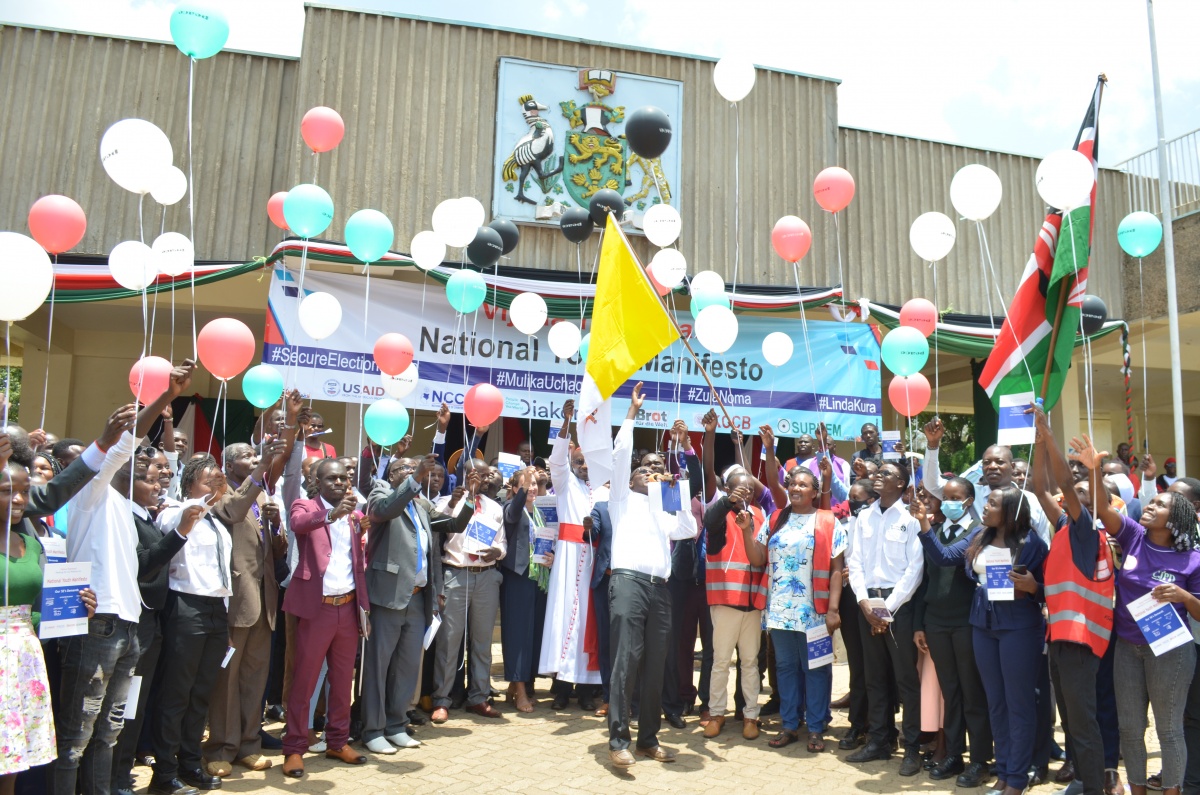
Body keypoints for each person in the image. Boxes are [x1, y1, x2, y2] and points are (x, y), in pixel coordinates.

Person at [57, 360, 193, 795]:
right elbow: (122, 445)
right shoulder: (90, 493)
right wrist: (166, 397)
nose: (143, 467)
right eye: (135, 462)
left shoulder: (130, 510)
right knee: (76, 737)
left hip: (130, 625)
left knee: (108, 733)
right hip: (98, 626)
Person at [1077, 434, 1200, 795]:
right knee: (1130, 728)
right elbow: (1102, 507)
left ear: (1175, 519)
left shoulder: (1192, 559)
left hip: (1170, 650)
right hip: (1128, 648)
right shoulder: (1133, 536)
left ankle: (1173, 790)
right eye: (1151, 501)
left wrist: (1182, 596)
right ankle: (1138, 790)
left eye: (1159, 505)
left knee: (1168, 729)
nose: (1149, 506)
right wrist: (1094, 469)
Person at [914, 486, 1049, 795]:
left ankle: (1017, 778)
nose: (985, 507)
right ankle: (1003, 771)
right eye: (987, 502)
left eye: (993, 503)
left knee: (1018, 704)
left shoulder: (1031, 543)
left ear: (1011, 511)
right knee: (996, 702)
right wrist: (923, 522)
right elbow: (945, 557)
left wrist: (1033, 588)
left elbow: (1048, 589)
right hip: (982, 625)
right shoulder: (979, 536)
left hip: (1018, 628)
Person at [602, 383, 698, 769]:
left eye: (653, 470)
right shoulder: (621, 499)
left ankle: (647, 739)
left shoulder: (662, 507)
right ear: (630, 480)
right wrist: (631, 415)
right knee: (626, 660)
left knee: (656, 665)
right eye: (643, 470)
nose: (649, 473)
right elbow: (621, 454)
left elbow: (688, 529)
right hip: (628, 583)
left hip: (660, 590)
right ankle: (618, 740)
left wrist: (678, 492)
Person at [1023, 408, 1116, 795]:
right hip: (1061, 636)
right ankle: (1081, 780)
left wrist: (1049, 434)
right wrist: (1040, 445)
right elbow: (1039, 487)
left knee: (1082, 723)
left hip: (1081, 640)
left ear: (1091, 506)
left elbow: (1061, 481)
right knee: (1072, 719)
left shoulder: (1086, 531)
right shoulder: (1063, 525)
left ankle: (1094, 787)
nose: (1069, 497)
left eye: (1080, 495)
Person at [361, 454, 473, 753]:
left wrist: (471, 499)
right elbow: (385, 509)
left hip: (417, 597)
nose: (413, 471)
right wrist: (415, 478)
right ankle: (372, 730)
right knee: (379, 667)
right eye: (406, 468)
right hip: (388, 596)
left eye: (415, 467)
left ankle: (396, 725)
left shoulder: (420, 504)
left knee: (407, 666)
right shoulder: (381, 493)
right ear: (392, 474)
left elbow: (451, 524)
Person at [0, 457, 97, 795]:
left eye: (24, 492)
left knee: (12, 757)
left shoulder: (29, 545)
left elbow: (31, 615)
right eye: (7, 491)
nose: (18, 499)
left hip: (23, 658)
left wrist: (76, 611)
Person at [200, 430, 290, 777]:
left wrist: (276, 524)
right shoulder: (218, 492)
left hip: (264, 600)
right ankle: (221, 748)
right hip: (236, 600)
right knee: (227, 678)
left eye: (256, 456)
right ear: (228, 464)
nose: (254, 460)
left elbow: (277, 551)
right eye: (247, 456)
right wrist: (265, 465)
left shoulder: (262, 495)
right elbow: (234, 513)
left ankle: (249, 745)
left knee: (254, 677)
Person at [150, 453, 240, 794]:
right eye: (208, 481)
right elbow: (178, 525)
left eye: (219, 480)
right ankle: (165, 771)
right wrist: (202, 502)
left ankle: (190, 763)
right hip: (186, 606)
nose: (216, 486)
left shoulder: (216, 522)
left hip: (215, 609)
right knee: (177, 693)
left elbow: (220, 574)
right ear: (189, 485)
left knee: (201, 692)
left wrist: (225, 620)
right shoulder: (176, 511)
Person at [281, 459, 370, 778]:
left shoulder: (355, 515)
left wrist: (363, 608)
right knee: (304, 680)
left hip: (347, 606)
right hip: (316, 609)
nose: (339, 483)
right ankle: (294, 748)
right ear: (317, 482)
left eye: (343, 478)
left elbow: (357, 564)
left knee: (343, 680)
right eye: (331, 478)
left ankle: (337, 741)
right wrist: (331, 515)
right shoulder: (305, 506)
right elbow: (299, 524)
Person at [109, 447, 189, 795]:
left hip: (152, 620)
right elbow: (144, 564)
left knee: (137, 705)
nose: (158, 486)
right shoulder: (126, 517)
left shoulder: (146, 516)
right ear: (129, 483)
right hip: (135, 621)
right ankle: (115, 778)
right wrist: (180, 533)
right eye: (149, 480)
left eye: (159, 481)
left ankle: (123, 771)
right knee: (125, 705)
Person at [747, 457, 842, 751]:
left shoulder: (828, 521)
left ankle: (816, 727)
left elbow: (836, 568)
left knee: (817, 668)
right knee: (786, 667)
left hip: (816, 611)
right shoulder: (775, 519)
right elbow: (758, 559)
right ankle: (789, 724)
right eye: (793, 484)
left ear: (815, 491)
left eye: (803, 484)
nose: (796, 488)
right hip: (779, 610)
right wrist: (745, 531)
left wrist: (833, 610)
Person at [910, 472, 993, 788]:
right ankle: (954, 755)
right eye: (945, 498)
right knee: (950, 692)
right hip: (936, 623)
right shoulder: (936, 531)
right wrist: (919, 624)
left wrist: (923, 523)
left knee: (972, 692)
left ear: (969, 501)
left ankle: (980, 760)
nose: (948, 503)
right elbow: (925, 581)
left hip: (966, 623)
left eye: (955, 499)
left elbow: (945, 558)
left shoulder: (978, 532)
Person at [844, 460, 925, 775]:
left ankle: (912, 748)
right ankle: (879, 740)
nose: (878, 476)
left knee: (906, 679)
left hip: (898, 606)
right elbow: (855, 562)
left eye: (886, 473)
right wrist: (864, 603)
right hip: (868, 603)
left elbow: (914, 570)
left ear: (902, 483)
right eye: (877, 473)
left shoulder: (910, 519)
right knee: (874, 676)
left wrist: (886, 610)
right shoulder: (863, 517)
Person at [431, 460, 507, 722]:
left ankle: (479, 697)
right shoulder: (447, 501)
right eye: (477, 474)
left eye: (486, 476)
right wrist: (457, 501)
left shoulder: (494, 507)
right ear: (464, 474)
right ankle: (442, 700)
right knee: (449, 641)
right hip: (456, 574)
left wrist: (498, 551)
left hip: (485, 576)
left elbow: (502, 542)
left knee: (482, 641)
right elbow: (440, 525)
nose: (483, 480)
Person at [539, 399, 602, 706]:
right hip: (567, 558)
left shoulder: (602, 489)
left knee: (588, 623)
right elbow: (556, 460)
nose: (584, 466)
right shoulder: (564, 484)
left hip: (593, 559)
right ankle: (562, 689)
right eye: (579, 461)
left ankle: (587, 691)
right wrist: (566, 423)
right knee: (564, 619)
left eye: (588, 462)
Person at [702, 461, 769, 742]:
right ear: (728, 489)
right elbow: (709, 521)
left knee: (751, 662)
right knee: (720, 662)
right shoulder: (721, 516)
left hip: (753, 604)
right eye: (739, 489)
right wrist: (727, 502)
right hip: (726, 600)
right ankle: (717, 713)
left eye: (750, 489)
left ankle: (751, 715)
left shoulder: (759, 515)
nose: (745, 493)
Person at [501, 466, 552, 714]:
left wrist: (550, 557)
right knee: (518, 635)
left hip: (537, 579)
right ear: (515, 488)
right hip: (518, 577)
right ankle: (520, 691)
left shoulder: (539, 513)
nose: (532, 487)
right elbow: (512, 514)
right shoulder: (511, 508)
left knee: (533, 634)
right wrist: (524, 485)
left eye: (534, 484)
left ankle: (518, 684)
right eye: (526, 483)